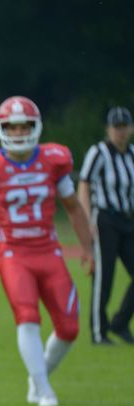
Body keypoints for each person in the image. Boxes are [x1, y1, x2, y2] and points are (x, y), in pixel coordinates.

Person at [0, 95, 94, 406]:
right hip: (13, 253)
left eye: (24, 126)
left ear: (35, 127)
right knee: (27, 317)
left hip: (49, 250)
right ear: (2, 128)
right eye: (13, 126)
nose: (19, 132)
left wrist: (88, 248)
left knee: (69, 327)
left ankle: (38, 377)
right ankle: (44, 389)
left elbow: (74, 207)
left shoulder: (53, 160)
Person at [78, 106, 134, 345]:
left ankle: (120, 323)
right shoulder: (99, 152)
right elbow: (84, 184)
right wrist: (86, 220)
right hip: (105, 219)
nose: (120, 132)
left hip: (128, 220)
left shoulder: (132, 154)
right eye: (116, 127)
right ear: (108, 129)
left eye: (124, 127)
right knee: (104, 276)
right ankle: (99, 331)